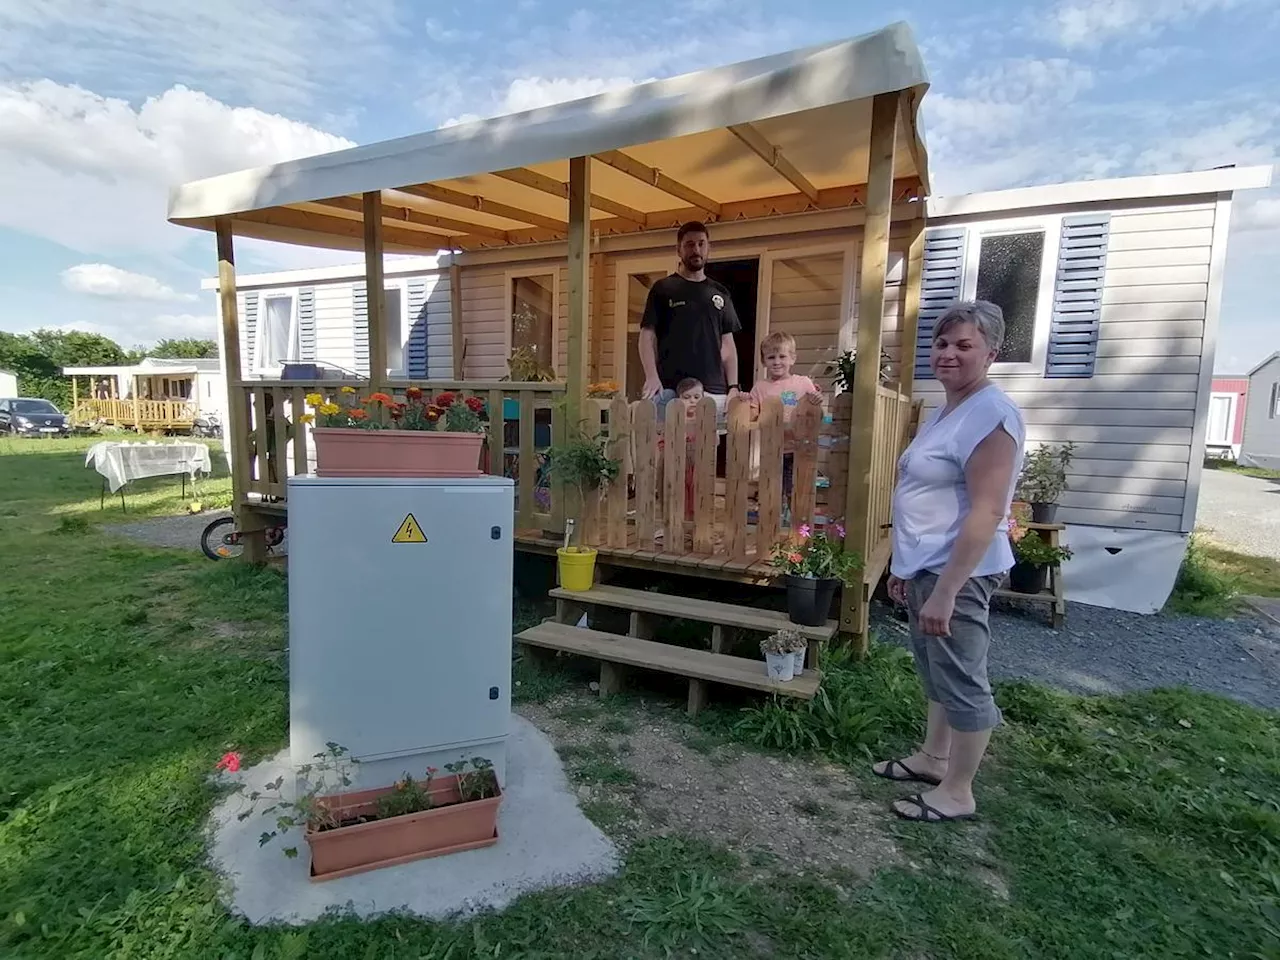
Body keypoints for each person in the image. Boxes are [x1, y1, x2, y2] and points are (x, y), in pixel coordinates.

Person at [873, 300, 1026, 824]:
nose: (948, 354)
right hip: (927, 565)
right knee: (935, 668)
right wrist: (903, 565)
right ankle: (933, 759)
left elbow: (987, 509)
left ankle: (959, 791)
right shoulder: (949, 408)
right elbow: (923, 491)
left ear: (991, 352)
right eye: (941, 344)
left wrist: (947, 589)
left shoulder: (991, 414)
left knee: (962, 677)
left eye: (964, 345)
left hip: (959, 572)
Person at [638, 221, 742, 422]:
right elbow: (646, 336)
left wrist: (733, 387)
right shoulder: (663, 289)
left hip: (714, 392)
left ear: (709, 248)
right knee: (667, 450)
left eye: (701, 244)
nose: (696, 250)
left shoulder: (720, 293)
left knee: (706, 451)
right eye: (690, 244)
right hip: (670, 389)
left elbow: (728, 346)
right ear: (679, 250)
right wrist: (651, 376)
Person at [749, 331, 821, 518]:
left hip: (798, 450)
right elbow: (752, 413)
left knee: (795, 491)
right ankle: (771, 527)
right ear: (764, 361)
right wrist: (743, 402)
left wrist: (816, 399)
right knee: (772, 491)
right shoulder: (760, 387)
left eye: (782, 356)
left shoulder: (803, 383)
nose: (777, 361)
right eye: (771, 357)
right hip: (772, 450)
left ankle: (797, 529)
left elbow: (815, 411)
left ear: (793, 358)